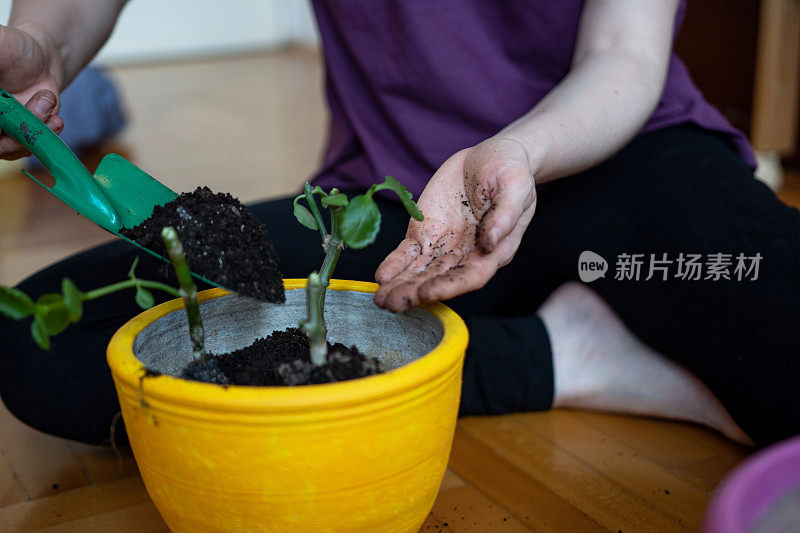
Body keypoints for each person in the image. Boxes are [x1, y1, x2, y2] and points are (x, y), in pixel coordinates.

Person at [0, 0, 798, 448]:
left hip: (621, 156)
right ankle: (560, 354)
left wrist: (520, 150)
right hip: (400, 216)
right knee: (41, 347)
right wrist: (40, 43)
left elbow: (625, 49)